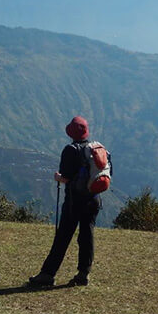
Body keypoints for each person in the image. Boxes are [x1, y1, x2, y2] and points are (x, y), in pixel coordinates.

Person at [28, 116, 102, 288]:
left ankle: (47, 275)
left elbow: (66, 177)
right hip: (93, 200)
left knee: (63, 237)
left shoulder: (71, 150)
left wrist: (59, 178)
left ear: (71, 133)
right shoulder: (97, 149)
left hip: (74, 201)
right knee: (87, 236)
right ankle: (83, 274)